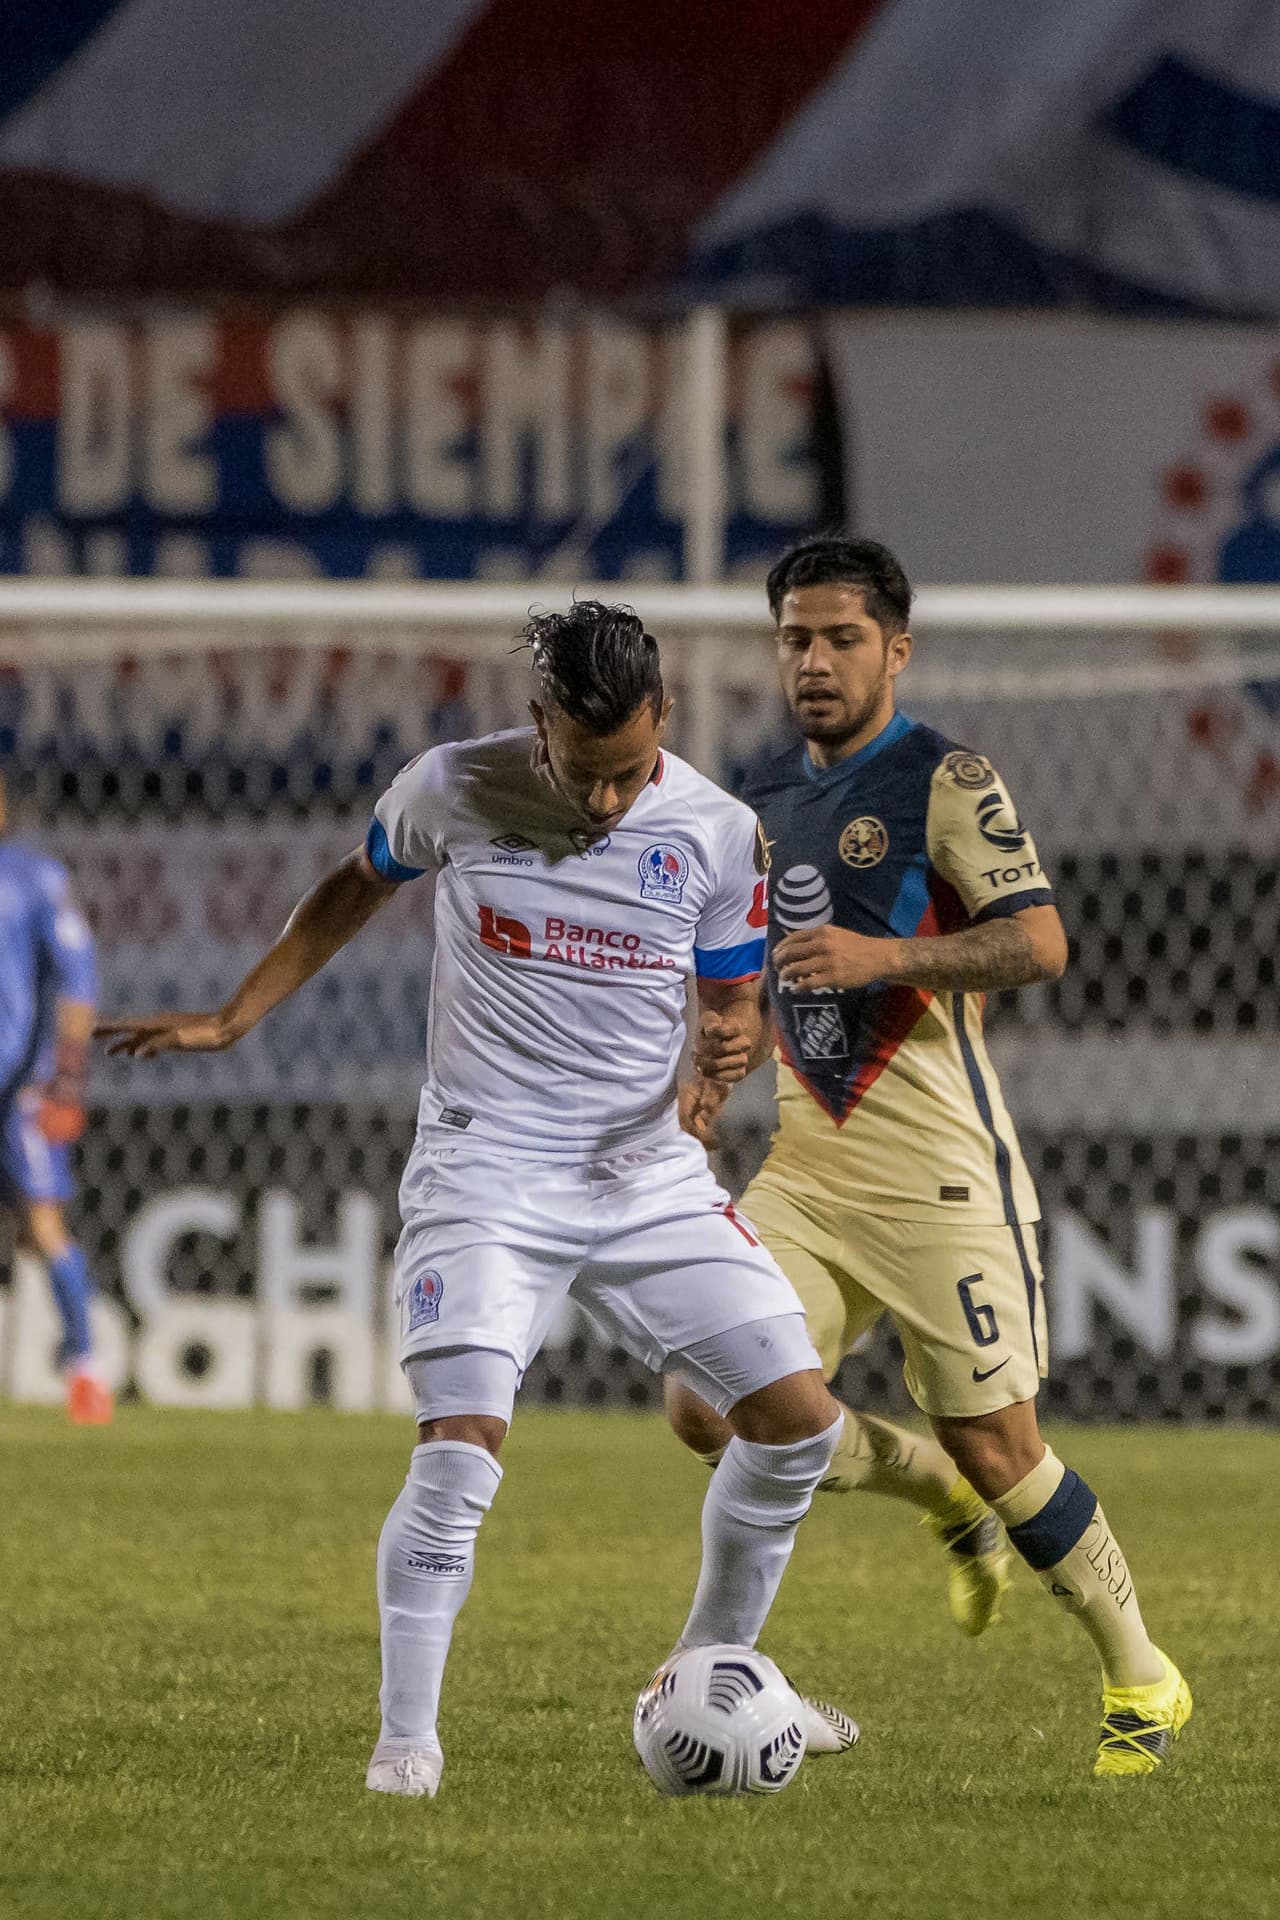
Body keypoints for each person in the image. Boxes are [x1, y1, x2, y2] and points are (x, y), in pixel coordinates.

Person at [98, 601, 857, 1801]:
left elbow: (730, 1008)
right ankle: (407, 1749)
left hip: (642, 1173)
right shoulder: (451, 788)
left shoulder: (717, 833)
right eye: (577, 769)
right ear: (536, 721)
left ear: (661, 718)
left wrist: (717, 1065)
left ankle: (711, 1669)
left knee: (800, 1424)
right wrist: (235, 1016)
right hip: (484, 1170)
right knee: (460, 1449)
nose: (602, 802)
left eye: (624, 774)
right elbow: (357, 882)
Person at [674, 537, 1191, 1778]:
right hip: (803, 1171)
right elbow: (758, 989)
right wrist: (717, 1058)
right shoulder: (758, 804)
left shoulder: (944, 779)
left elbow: (1041, 944)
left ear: (894, 651)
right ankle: (931, 1500)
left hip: (939, 1178)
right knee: (707, 1408)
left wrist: (884, 960)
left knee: (1000, 1445)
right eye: (795, 637)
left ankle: (1142, 1675)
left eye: (841, 637)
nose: (814, 660)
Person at [0, 772, 111, 1424]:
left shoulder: (34, 877)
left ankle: (86, 1370)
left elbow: (78, 983)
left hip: (20, 1085)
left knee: (44, 1226)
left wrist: (67, 1080)